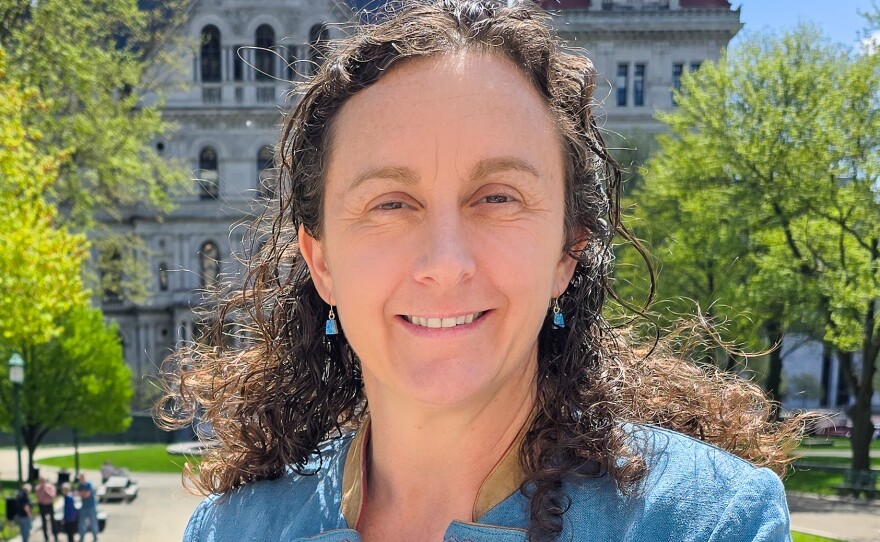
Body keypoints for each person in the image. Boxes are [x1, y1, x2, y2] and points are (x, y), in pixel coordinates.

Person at [160, 2, 803, 541]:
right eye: (390, 203)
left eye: (497, 197)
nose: (446, 263)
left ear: (567, 249)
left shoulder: (708, 522)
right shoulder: (233, 530)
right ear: (321, 261)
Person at [75, 474, 98, 542]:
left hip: (91, 506)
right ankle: (81, 537)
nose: (81, 479)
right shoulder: (80, 485)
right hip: (84, 506)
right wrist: (83, 493)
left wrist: (82, 493)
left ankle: (95, 537)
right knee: (81, 523)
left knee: (93, 522)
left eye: (82, 478)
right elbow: (77, 493)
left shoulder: (89, 484)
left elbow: (87, 495)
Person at [34, 477, 57, 542]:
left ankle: (55, 536)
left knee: (53, 521)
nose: (42, 482)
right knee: (44, 522)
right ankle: (46, 537)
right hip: (42, 506)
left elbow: (53, 495)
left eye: (43, 480)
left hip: (49, 505)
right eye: (41, 481)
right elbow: (39, 498)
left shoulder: (50, 486)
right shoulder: (37, 488)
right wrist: (42, 491)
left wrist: (47, 491)